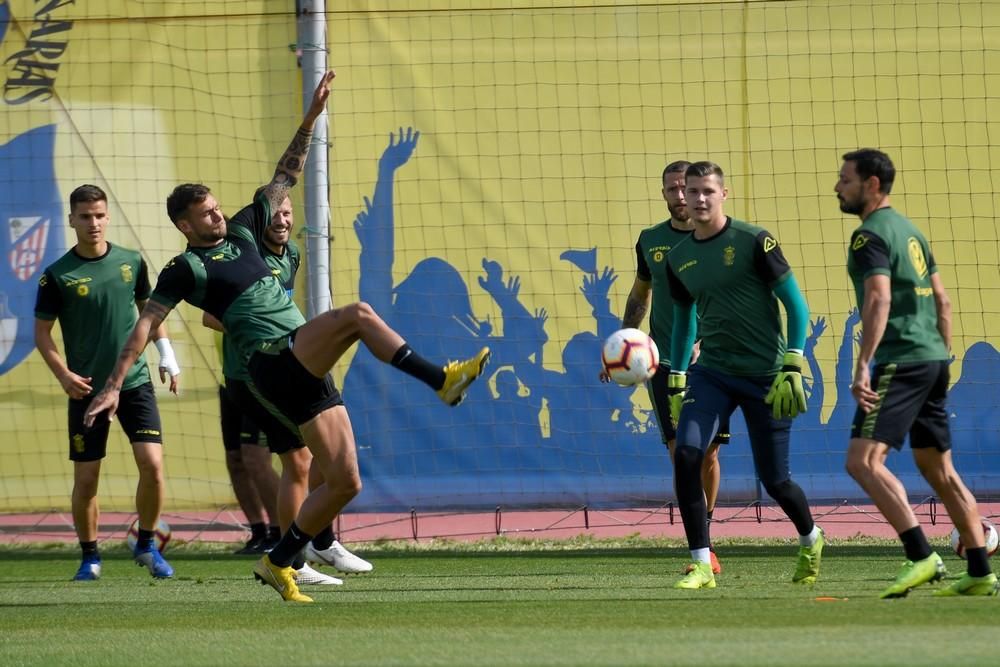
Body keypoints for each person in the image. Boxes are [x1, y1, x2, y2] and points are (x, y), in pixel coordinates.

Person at [84, 71, 489, 603]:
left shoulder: (246, 228)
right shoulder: (186, 268)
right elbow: (145, 325)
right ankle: (441, 379)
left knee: (345, 482)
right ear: (185, 224)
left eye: (215, 205)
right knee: (359, 315)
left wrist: (311, 117)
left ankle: (279, 563)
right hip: (272, 360)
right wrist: (115, 384)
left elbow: (284, 176)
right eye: (204, 211)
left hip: (301, 361)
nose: (216, 212)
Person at [837, 148, 998, 597]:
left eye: (845, 180)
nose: (837, 187)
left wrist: (864, 363)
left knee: (862, 461)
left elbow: (878, 299)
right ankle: (981, 571)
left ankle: (921, 555)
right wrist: (937, 355)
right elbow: (943, 302)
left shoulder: (868, 236)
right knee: (937, 467)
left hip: (900, 357)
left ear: (872, 185)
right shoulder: (910, 230)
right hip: (931, 358)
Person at [664, 161, 823, 589]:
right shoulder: (679, 259)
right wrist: (678, 374)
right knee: (686, 455)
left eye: (706, 191)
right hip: (712, 372)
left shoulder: (755, 241)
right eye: (690, 190)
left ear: (723, 194)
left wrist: (793, 360)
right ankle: (701, 562)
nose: (697, 199)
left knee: (776, 482)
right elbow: (684, 323)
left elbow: (796, 304)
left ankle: (811, 537)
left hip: (767, 375)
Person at [207, 196, 372, 576]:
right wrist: (260, 330)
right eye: (274, 214)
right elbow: (210, 317)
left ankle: (312, 545)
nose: (281, 220)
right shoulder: (242, 256)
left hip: (277, 369)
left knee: (304, 460)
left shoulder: (292, 254)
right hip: (251, 375)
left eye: (287, 213)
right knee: (293, 461)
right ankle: (295, 554)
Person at [34, 184, 181, 581]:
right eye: (85, 216)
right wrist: (64, 375)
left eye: (99, 215)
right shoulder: (57, 275)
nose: (93, 223)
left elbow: (151, 314)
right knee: (87, 478)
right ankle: (90, 557)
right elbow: (42, 334)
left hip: (134, 383)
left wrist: (167, 356)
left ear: (107, 216)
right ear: (72, 220)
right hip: (86, 389)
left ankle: (148, 545)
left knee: (152, 466)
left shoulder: (131, 262)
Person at [601, 160, 729, 574]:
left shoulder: (722, 241)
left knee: (707, 453)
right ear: (665, 194)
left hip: (712, 361)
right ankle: (702, 547)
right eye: (672, 189)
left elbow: (734, 301)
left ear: (699, 192)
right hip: (663, 363)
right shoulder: (651, 241)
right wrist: (621, 344)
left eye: (685, 188)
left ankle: (704, 528)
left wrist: (704, 341)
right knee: (681, 455)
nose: (680, 197)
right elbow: (641, 294)